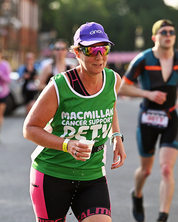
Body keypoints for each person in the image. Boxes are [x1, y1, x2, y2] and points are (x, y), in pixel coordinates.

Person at [23, 22, 126, 222]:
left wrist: (116, 136)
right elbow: (29, 129)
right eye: (91, 49)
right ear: (77, 53)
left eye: (103, 48)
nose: (99, 56)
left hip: (92, 174)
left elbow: (109, 106)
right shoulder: (59, 86)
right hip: (52, 174)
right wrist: (66, 144)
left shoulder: (114, 80)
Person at [118, 19, 178, 222]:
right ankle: (137, 195)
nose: (169, 35)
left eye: (171, 32)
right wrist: (148, 94)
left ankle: (163, 216)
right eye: (164, 32)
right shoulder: (143, 59)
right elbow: (123, 87)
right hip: (147, 118)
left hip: (171, 117)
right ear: (155, 37)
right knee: (145, 170)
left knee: (166, 168)